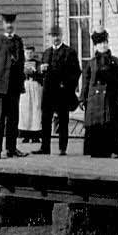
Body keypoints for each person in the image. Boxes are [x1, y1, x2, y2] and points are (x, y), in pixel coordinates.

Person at [0, 13, 27, 159]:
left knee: (13, 120)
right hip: (0, 87)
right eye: (7, 23)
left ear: (15, 24)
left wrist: (21, 82)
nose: (9, 25)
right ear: (3, 24)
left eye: (12, 23)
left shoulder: (18, 41)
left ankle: (11, 148)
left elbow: (21, 63)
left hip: (14, 87)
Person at [80, 30, 118, 158]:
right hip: (94, 100)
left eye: (105, 42)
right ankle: (97, 151)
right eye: (100, 43)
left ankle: (115, 150)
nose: (103, 45)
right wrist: (82, 98)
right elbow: (86, 83)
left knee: (111, 123)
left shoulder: (117, 62)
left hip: (111, 98)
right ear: (95, 46)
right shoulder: (90, 63)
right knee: (96, 124)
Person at [36, 26, 81, 156]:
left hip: (62, 92)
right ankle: (45, 147)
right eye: (53, 35)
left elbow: (76, 72)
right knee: (45, 120)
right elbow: (40, 76)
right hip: (48, 93)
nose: (55, 38)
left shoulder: (69, 52)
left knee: (63, 120)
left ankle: (62, 148)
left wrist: (67, 86)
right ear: (50, 37)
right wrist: (40, 70)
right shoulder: (46, 53)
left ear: (62, 36)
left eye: (57, 35)